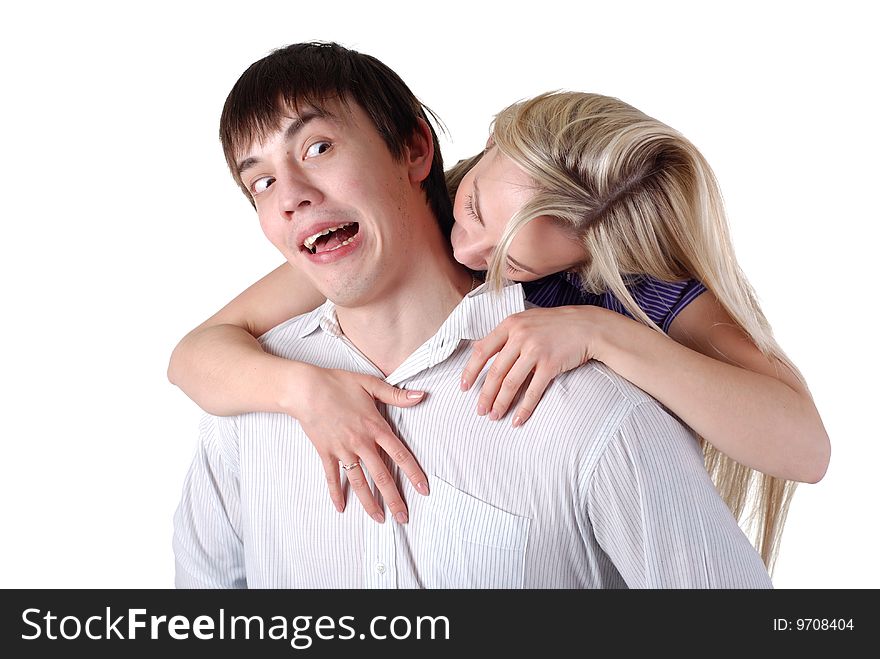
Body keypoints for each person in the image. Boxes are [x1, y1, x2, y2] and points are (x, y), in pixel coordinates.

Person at [169, 44, 830, 572]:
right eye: (259, 179)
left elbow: (805, 447)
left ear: (585, 256)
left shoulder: (619, 325)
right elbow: (196, 352)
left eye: (510, 256)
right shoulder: (415, 212)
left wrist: (602, 332)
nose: (472, 246)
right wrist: (305, 393)